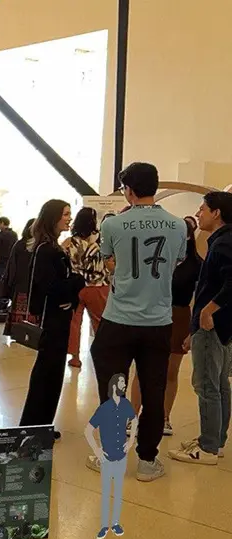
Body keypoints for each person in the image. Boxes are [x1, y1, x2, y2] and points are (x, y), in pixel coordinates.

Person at [87, 162, 187, 483]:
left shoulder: (113, 225)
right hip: (158, 320)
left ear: (128, 191)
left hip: (118, 319)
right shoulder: (178, 226)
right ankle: (147, 461)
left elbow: (110, 262)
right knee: (154, 390)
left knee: (112, 389)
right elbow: (177, 261)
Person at [168, 192, 232, 465]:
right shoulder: (222, 240)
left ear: (216, 213)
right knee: (219, 384)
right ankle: (215, 441)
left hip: (213, 324)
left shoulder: (223, 243)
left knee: (207, 385)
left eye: (203, 208)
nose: (199, 212)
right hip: (222, 325)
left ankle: (206, 448)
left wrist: (209, 310)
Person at [128, 216, 201, 435]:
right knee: (142, 369)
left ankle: (165, 418)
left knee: (170, 371)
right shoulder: (156, 257)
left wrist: (193, 330)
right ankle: (131, 417)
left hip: (178, 316)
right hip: (151, 314)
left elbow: (198, 298)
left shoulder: (196, 264)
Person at [18, 200, 84, 431]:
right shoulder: (47, 250)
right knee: (46, 375)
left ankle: (42, 424)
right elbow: (49, 286)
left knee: (52, 375)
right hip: (52, 321)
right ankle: (34, 425)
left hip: (58, 318)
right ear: (53, 217)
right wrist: (77, 282)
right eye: (65, 214)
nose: (69, 218)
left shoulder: (52, 247)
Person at [85, 373, 137, 539]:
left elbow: (135, 420)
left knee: (118, 491)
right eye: (122, 383)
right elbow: (87, 430)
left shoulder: (126, 405)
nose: (124, 386)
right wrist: (97, 451)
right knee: (107, 491)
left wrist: (130, 443)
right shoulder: (104, 408)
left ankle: (115, 523)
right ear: (114, 386)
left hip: (121, 456)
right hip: (107, 457)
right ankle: (104, 526)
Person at [63, 207, 111, 368]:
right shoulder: (99, 242)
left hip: (75, 287)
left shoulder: (69, 242)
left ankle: (75, 357)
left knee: (74, 322)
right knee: (100, 322)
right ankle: (104, 354)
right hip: (97, 286)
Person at [2, 218, 36, 339]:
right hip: (24, 282)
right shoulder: (22, 244)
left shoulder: (23, 244)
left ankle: (19, 332)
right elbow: (12, 265)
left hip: (25, 283)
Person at [0, 217, 18, 312]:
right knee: (6, 283)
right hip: (10, 263)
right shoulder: (14, 234)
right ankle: (5, 303)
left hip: (0, 262)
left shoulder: (0, 235)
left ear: (3, 223)